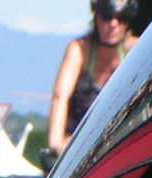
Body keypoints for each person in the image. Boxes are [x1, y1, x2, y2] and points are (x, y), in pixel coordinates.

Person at [47, 0, 138, 155]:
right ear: (96, 17)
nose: (114, 24)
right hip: (78, 145)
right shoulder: (80, 49)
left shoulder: (136, 49)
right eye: (107, 16)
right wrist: (56, 143)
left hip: (120, 143)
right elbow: (60, 97)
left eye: (121, 18)